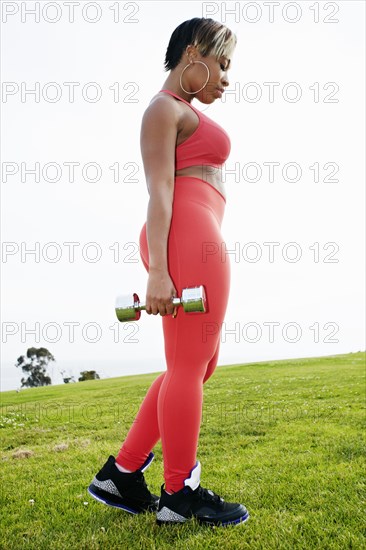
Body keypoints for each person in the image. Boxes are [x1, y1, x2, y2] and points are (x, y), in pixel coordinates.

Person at [88, 17, 249, 527]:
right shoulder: (164, 108)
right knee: (188, 366)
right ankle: (180, 494)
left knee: (197, 365)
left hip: (193, 235)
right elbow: (159, 190)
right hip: (182, 236)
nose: (226, 78)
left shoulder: (182, 110)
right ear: (194, 53)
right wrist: (158, 271)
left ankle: (122, 473)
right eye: (222, 65)